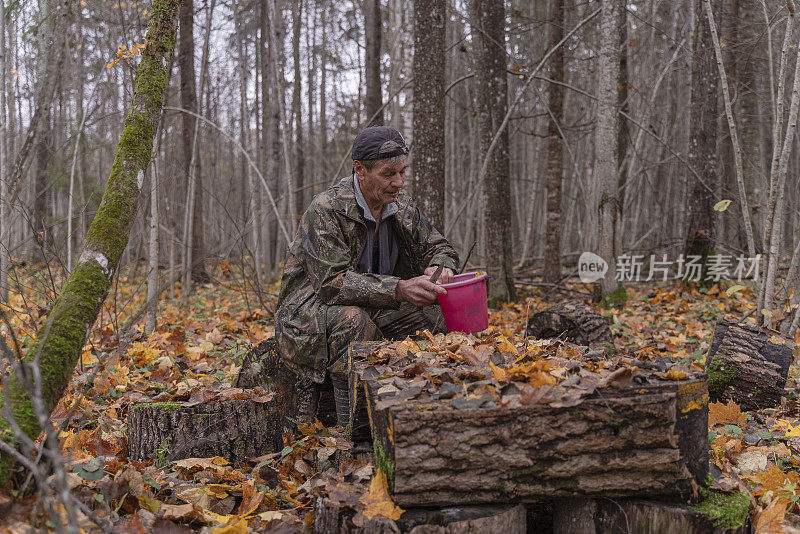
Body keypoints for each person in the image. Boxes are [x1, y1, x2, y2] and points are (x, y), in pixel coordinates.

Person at [274, 126, 459, 423]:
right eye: (388, 174)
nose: (398, 182)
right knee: (354, 321)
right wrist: (399, 288)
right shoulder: (327, 209)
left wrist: (442, 265)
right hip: (309, 316)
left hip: (377, 306)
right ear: (360, 169)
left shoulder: (400, 208)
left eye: (402, 172)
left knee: (439, 318)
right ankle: (354, 428)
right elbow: (332, 285)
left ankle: (430, 412)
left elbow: (439, 246)